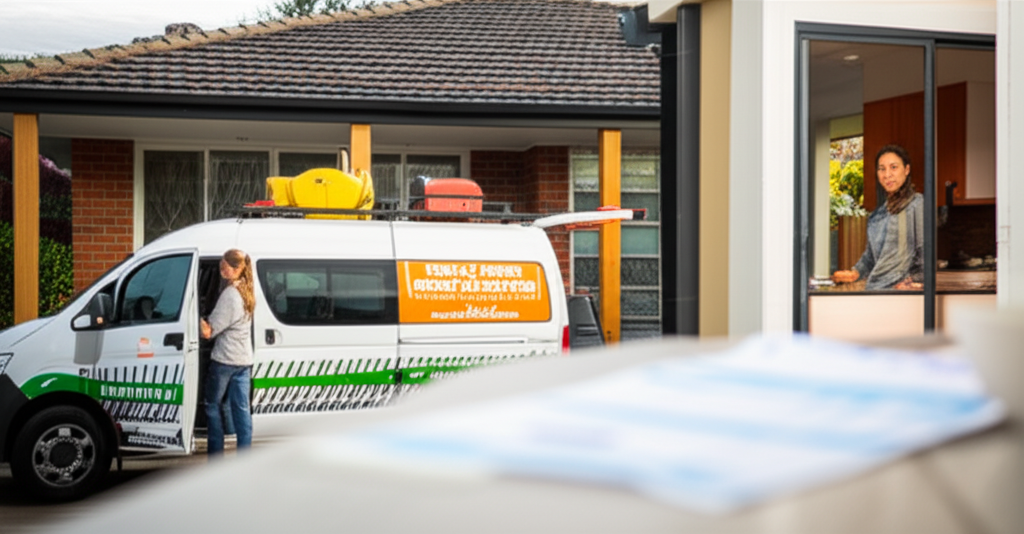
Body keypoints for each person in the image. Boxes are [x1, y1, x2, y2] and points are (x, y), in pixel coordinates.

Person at [833, 144, 924, 290]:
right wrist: (855, 273)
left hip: (902, 293)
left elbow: (924, 252)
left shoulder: (917, 204)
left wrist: (914, 281)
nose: (887, 174)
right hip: (875, 290)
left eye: (893, 167)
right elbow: (870, 257)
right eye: (882, 169)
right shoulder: (876, 215)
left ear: (906, 170)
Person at [200, 248, 255, 455]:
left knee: (212, 404)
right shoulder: (246, 291)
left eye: (224, 267)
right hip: (243, 361)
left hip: (225, 360)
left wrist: (193, 316)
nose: (221, 271)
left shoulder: (230, 295)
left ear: (235, 268)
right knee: (241, 410)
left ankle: (216, 454)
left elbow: (209, 331)